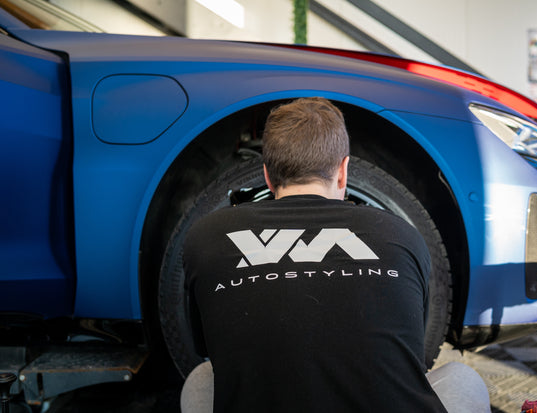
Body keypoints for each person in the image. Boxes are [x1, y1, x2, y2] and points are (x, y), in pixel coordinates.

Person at [181, 97, 490, 413]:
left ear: (267, 176)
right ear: (343, 171)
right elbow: (411, 350)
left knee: (200, 378)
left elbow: (206, 346)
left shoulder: (206, 236)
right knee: (462, 376)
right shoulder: (401, 234)